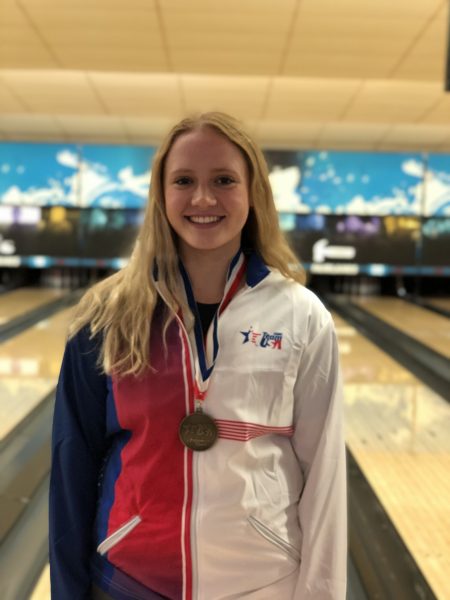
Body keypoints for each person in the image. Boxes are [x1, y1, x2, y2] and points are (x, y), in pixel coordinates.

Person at [49, 112, 347, 600]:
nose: (203, 198)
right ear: (161, 194)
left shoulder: (302, 315)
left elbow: (325, 473)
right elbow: (71, 465)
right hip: (129, 582)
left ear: (253, 192)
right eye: (184, 180)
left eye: (224, 180)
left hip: (264, 583)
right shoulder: (104, 316)